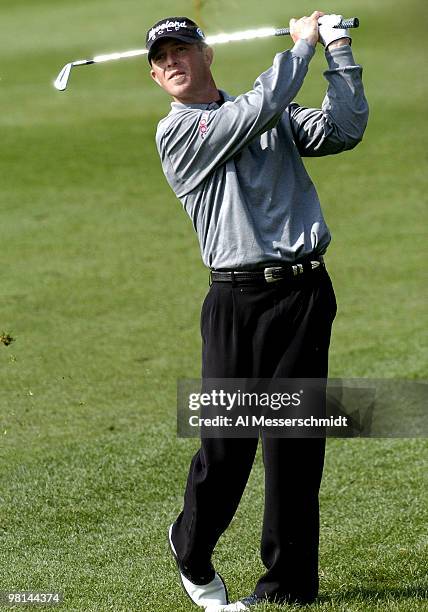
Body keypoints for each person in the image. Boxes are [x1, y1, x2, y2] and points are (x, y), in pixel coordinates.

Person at [146, 11, 368, 611]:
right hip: (236, 301)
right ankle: (189, 546)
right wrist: (300, 47)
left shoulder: (270, 114)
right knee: (227, 445)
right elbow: (255, 109)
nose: (171, 63)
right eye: (160, 58)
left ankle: (286, 588)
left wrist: (339, 53)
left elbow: (344, 129)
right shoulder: (180, 135)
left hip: (302, 294)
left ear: (206, 53)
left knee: (295, 447)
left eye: (181, 50)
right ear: (155, 75)